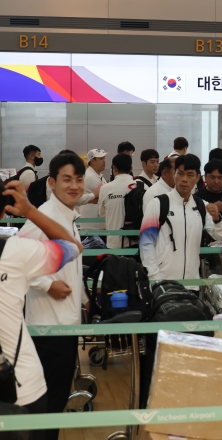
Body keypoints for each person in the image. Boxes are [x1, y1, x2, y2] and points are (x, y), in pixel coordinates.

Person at [0, 180, 82, 440]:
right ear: (3, 211)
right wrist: (30, 211)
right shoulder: (13, 251)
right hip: (19, 384)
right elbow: (72, 247)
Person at [21, 154, 88, 440]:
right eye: (66, 179)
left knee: (55, 399)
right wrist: (48, 285)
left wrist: (83, 297)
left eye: (78, 179)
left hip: (64, 324)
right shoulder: (45, 217)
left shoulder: (67, 217)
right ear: (51, 182)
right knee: (46, 404)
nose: (74, 185)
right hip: (47, 329)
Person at [140, 154, 222, 286]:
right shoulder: (158, 203)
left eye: (190, 175)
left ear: (198, 177)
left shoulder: (202, 206)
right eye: (180, 174)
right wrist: (154, 275)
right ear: (174, 174)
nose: (184, 179)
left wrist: (217, 219)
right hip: (163, 282)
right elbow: (146, 242)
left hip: (192, 282)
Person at [98, 154, 134, 249]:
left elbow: (101, 214)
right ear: (131, 169)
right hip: (135, 241)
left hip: (113, 242)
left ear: (114, 168)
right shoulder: (139, 186)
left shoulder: (105, 188)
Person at [79, 149, 107, 230]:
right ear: (92, 161)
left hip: (95, 224)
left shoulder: (99, 176)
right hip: (91, 226)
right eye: (101, 159)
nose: (104, 161)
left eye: (104, 158)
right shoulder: (90, 177)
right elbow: (106, 195)